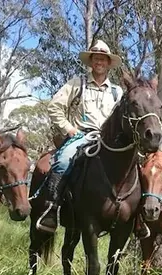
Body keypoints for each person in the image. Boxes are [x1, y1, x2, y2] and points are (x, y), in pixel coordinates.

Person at [35, 39, 124, 233]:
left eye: (103, 59)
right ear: (91, 62)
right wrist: (69, 128)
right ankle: (51, 209)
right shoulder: (78, 83)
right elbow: (54, 106)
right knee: (63, 160)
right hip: (81, 136)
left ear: (109, 63)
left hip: (108, 140)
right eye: (96, 59)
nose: (99, 62)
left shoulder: (117, 92)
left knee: (138, 166)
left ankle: (138, 217)